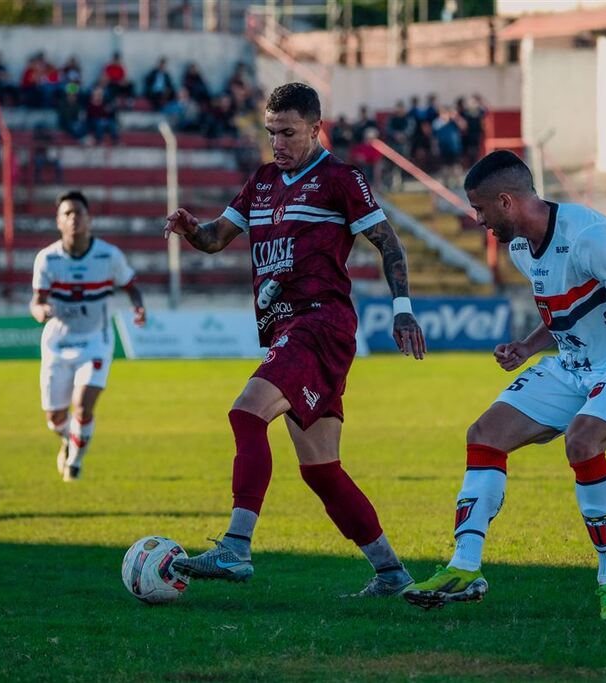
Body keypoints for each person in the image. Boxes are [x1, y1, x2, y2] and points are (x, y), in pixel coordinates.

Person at [164, 82, 427, 596]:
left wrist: (402, 310)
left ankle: (236, 547)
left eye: (287, 132)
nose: (277, 143)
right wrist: (194, 229)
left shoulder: (340, 179)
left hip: (320, 324)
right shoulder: (262, 181)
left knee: (246, 412)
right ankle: (392, 573)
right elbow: (219, 238)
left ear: (315, 128)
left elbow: (388, 244)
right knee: (322, 470)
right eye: (270, 132)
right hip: (286, 328)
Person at [402, 150, 606, 621]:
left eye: (480, 208)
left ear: (506, 201)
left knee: (581, 442)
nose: (477, 219)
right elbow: (567, 312)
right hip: (570, 365)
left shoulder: (589, 238)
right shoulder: (519, 249)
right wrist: (529, 347)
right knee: (483, 435)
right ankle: (465, 568)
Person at [30, 191, 146, 482]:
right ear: (58, 222)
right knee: (56, 417)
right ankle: (69, 438)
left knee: (82, 405)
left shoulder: (109, 255)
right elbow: (36, 300)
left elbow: (130, 284)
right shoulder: (47, 258)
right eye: (67, 214)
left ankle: (75, 464)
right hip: (58, 342)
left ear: (89, 219)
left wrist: (138, 307)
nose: (73, 219)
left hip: (96, 338)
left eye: (78, 213)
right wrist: (40, 310)